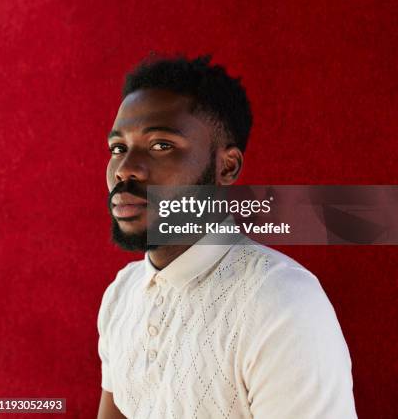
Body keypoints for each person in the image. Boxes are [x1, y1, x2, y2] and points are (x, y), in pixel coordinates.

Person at [97, 54, 357, 419]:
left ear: (226, 167)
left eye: (161, 145)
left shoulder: (282, 304)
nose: (125, 169)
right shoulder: (120, 295)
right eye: (118, 148)